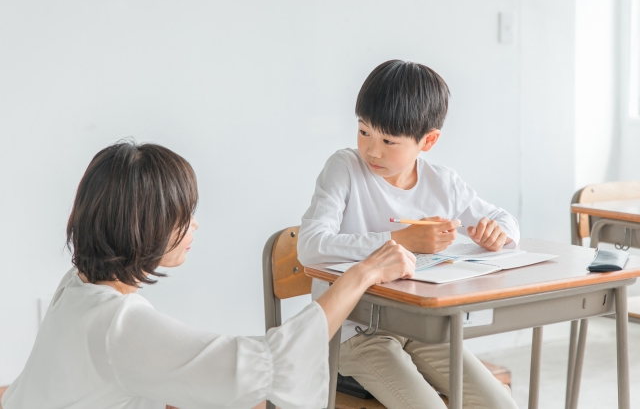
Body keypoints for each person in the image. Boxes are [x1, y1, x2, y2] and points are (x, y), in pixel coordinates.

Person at [1, 141, 416, 409]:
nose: (194, 227)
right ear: (141, 227)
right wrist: (363, 272)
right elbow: (274, 360)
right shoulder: (120, 327)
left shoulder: (77, 285)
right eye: (182, 218)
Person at [297, 60, 521, 409]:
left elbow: (501, 218)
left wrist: (498, 232)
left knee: (499, 403)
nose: (372, 149)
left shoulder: (442, 182)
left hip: (420, 329)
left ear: (428, 141)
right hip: (354, 333)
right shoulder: (344, 168)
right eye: (364, 131)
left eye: (389, 140)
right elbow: (310, 247)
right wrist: (399, 241)